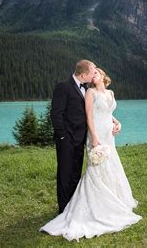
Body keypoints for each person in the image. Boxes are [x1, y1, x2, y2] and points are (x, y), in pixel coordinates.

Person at [40, 68, 142, 241]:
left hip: (109, 135)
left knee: (112, 165)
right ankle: (93, 206)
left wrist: (117, 123)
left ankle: (115, 200)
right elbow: (89, 116)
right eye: (92, 73)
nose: (93, 76)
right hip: (96, 134)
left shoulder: (111, 92)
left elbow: (108, 113)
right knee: (96, 169)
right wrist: (94, 137)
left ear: (102, 75)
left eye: (96, 73)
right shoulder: (90, 92)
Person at [50, 59, 97, 213]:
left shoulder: (88, 88)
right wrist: (63, 137)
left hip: (80, 139)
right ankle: (63, 210)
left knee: (76, 172)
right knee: (65, 173)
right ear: (83, 75)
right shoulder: (63, 87)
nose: (94, 75)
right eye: (92, 73)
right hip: (67, 140)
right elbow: (56, 114)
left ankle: (73, 206)